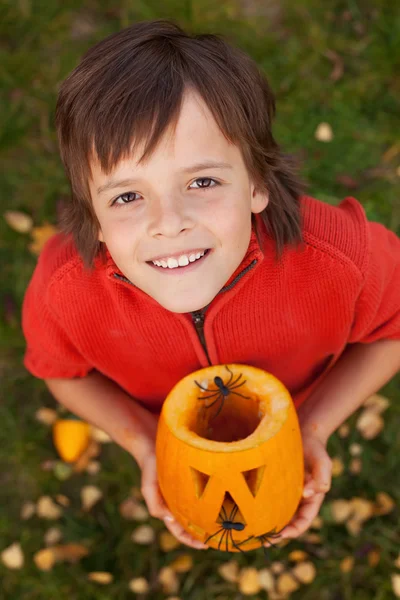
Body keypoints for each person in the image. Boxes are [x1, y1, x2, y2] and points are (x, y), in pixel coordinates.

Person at [22, 19, 400, 552]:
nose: (168, 222)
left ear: (257, 183)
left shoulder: (341, 256)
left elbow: (393, 328)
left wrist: (312, 427)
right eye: (127, 197)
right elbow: (62, 373)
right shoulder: (66, 293)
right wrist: (147, 444)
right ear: (95, 217)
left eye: (202, 182)